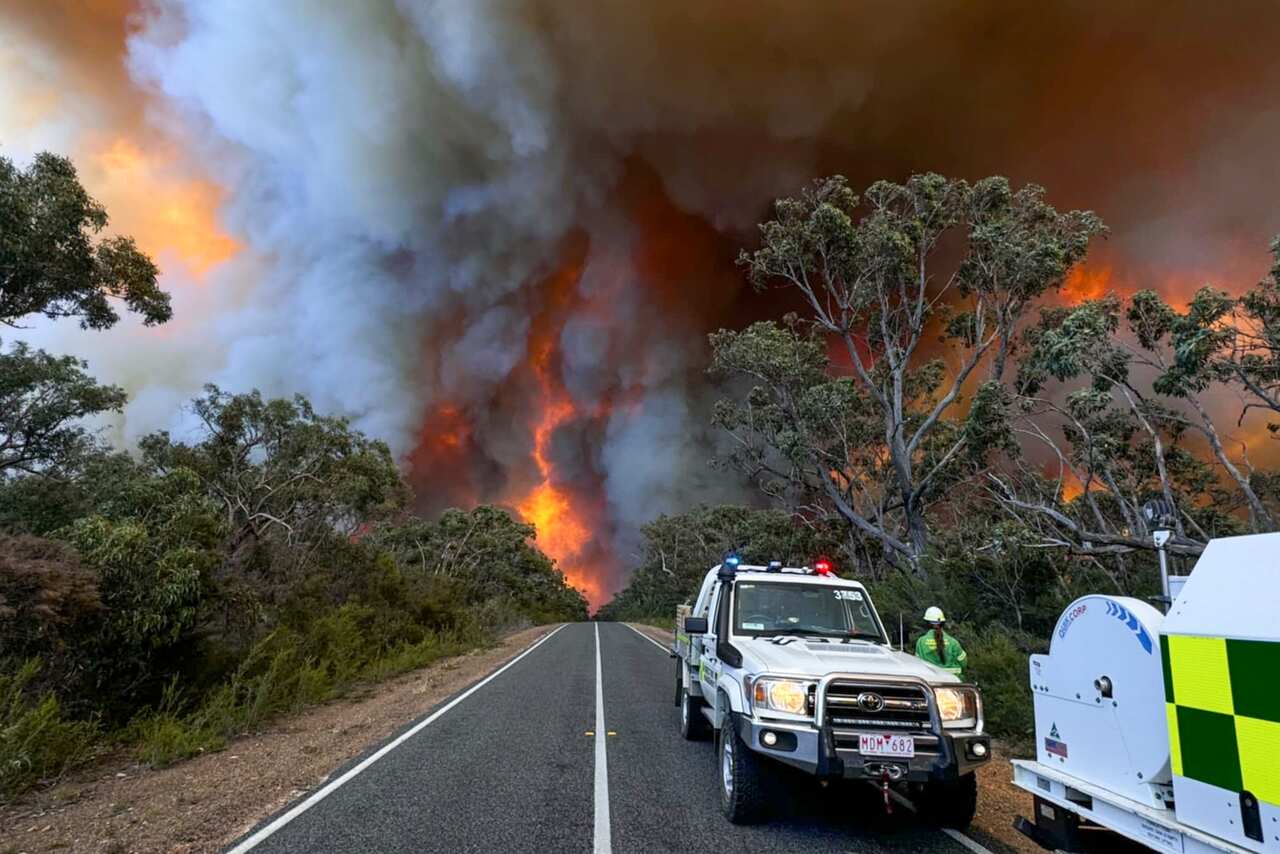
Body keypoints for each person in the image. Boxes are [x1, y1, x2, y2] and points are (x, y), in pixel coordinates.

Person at [914, 606, 967, 677]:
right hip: (953, 683)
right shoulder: (953, 642)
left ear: (926, 623)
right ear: (943, 623)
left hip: (930, 684)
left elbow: (917, 664)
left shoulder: (921, 642)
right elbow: (964, 663)